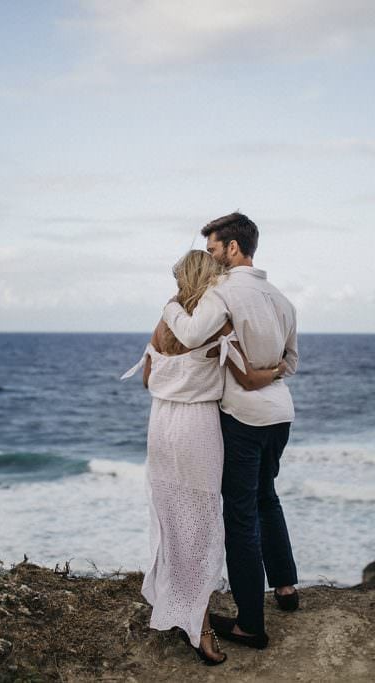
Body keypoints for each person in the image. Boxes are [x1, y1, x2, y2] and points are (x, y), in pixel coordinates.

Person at [121, 249, 287, 665]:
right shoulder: (220, 327)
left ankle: (176, 602)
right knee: (202, 525)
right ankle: (199, 624)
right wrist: (279, 369)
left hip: (161, 428)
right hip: (198, 429)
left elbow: (147, 379)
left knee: (171, 518)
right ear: (212, 280)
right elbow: (248, 378)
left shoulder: (164, 323)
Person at [160, 212, 299, 651]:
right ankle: (286, 587)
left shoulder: (223, 291)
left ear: (232, 248)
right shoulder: (281, 299)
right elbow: (291, 363)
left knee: (240, 516)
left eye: (215, 248)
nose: (213, 256)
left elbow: (190, 333)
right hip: (281, 415)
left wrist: (169, 307)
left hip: (243, 417)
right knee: (266, 496)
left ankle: (250, 625)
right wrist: (269, 371)